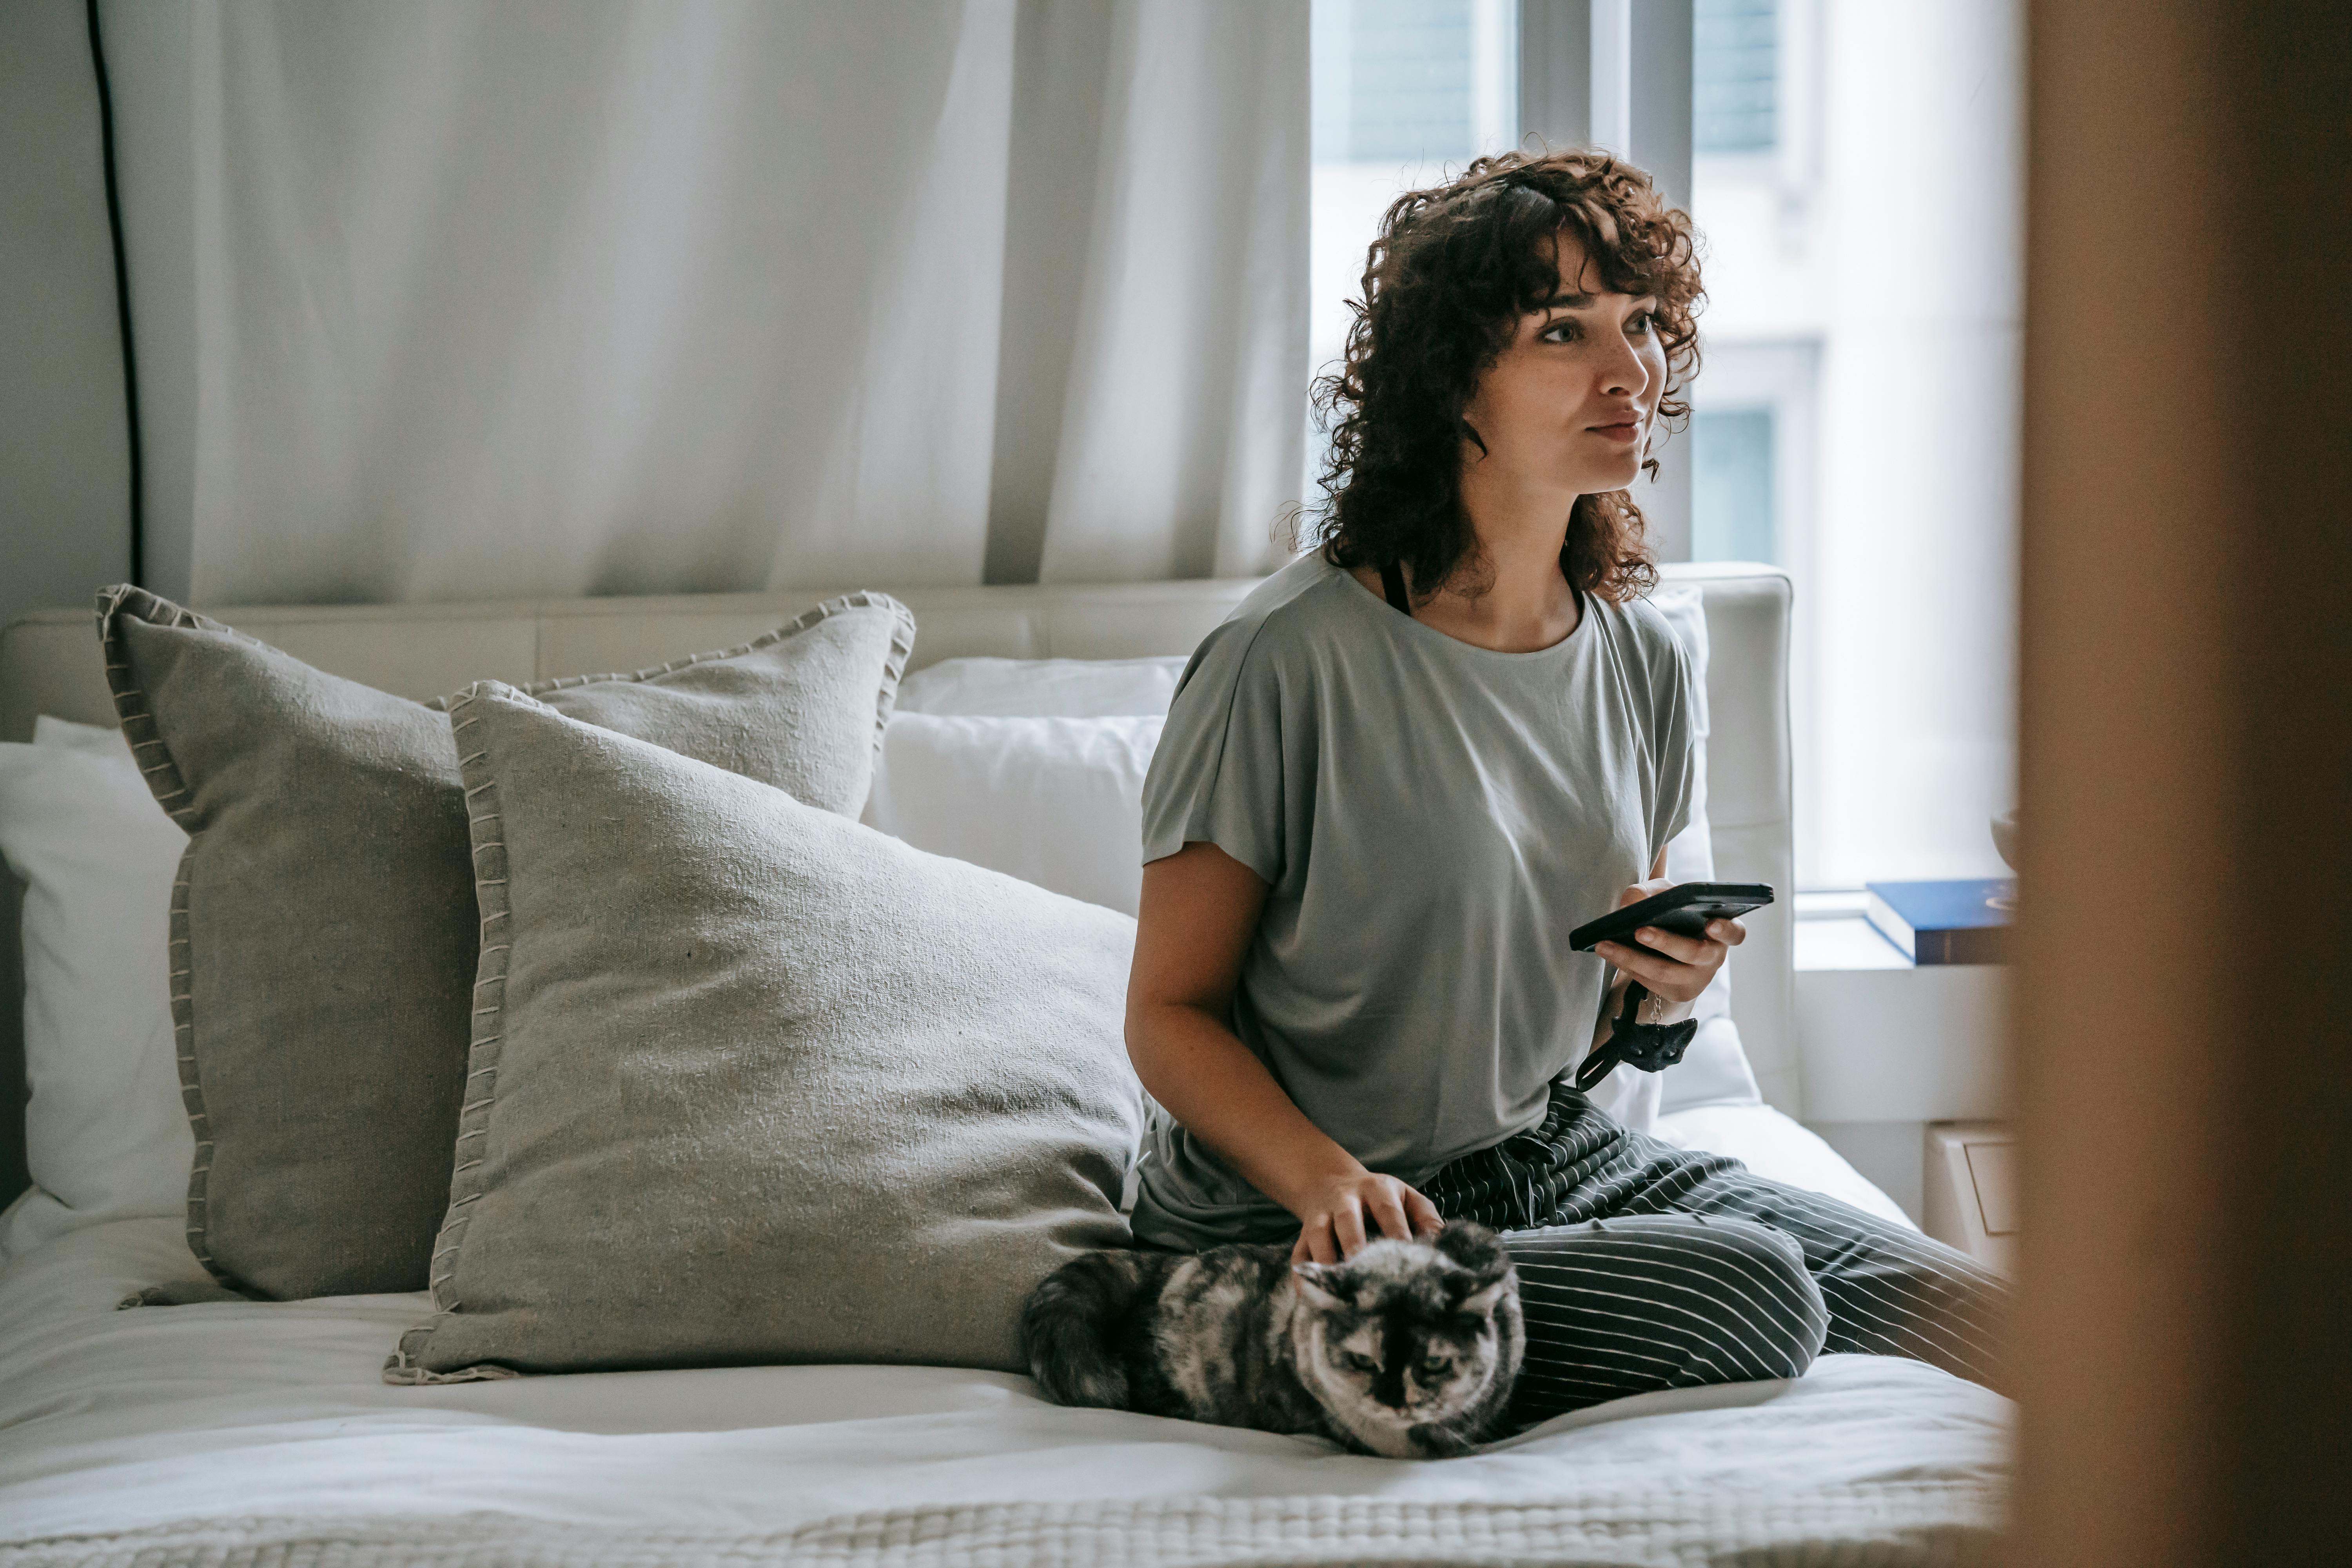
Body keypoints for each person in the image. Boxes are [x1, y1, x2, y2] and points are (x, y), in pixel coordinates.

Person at [1124, 149, 2005, 1420]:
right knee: (1752, 1294)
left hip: (1550, 1164)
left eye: (1643, 324)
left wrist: (1664, 992)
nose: (1629, 370)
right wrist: (1323, 1180)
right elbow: (1170, 1012)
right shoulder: (1286, 660)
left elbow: (1580, 1037)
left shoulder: (1647, 656)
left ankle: (1374, 1348)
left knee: (2000, 1324)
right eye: (1561, 329)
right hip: (1294, 1208)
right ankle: (1209, 1318)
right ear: (1452, 381)